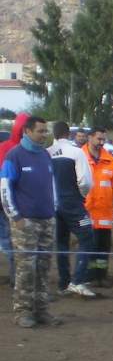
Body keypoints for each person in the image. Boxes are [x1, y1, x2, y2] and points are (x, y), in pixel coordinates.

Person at [0, 116, 59, 327]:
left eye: (45, 131)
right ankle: (23, 311)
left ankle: (41, 310)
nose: (44, 135)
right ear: (27, 131)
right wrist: (15, 216)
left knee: (44, 267)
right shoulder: (14, 156)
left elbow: (52, 184)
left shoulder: (45, 155)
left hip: (47, 220)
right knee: (26, 268)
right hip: (25, 222)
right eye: (40, 131)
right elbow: (5, 187)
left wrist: (54, 209)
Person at [48, 121, 95, 298]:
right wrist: (81, 196)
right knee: (87, 236)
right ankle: (78, 280)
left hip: (54, 204)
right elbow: (85, 181)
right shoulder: (76, 152)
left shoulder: (47, 153)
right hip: (72, 202)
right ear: (69, 134)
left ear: (54, 134)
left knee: (61, 241)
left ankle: (64, 282)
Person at [83, 127, 113, 287]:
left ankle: (101, 276)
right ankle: (88, 276)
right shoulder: (80, 157)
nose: (101, 142)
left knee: (103, 248)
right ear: (90, 137)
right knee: (88, 246)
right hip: (86, 212)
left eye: (103, 139)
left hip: (105, 214)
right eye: (99, 139)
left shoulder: (110, 160)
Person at [0, 112, 29, 286]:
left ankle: (16, 275)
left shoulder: (6, 147)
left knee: (9, 239)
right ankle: (16, 276)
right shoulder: (21, 150)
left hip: (11, 200)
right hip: (13, 201)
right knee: (14, 240)